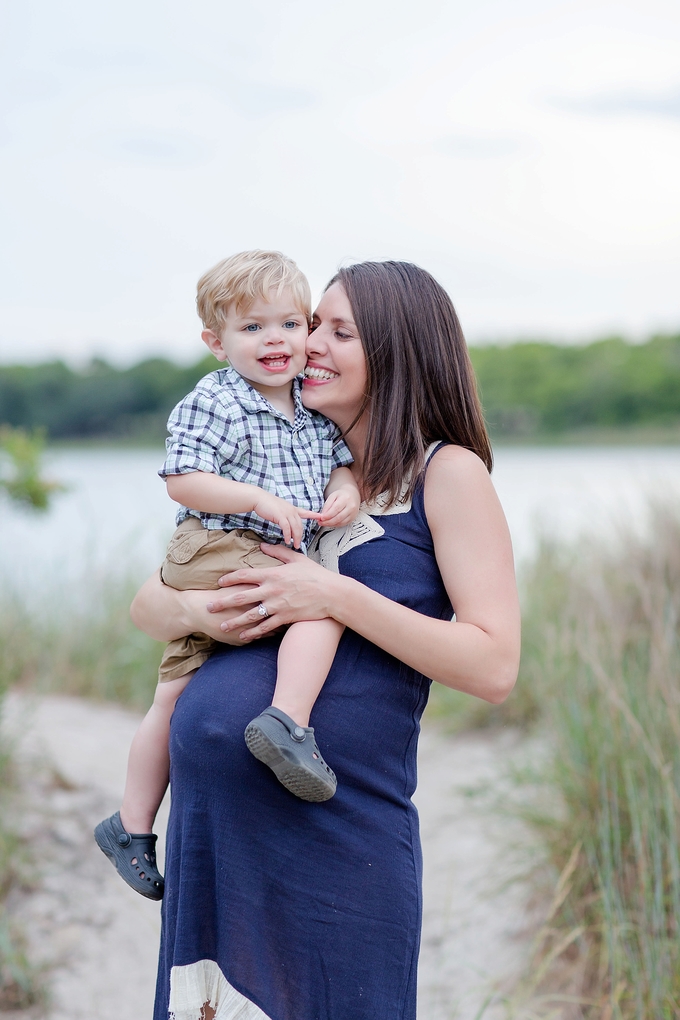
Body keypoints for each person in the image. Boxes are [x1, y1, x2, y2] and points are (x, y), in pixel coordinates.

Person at [131, 260, 521, 1020]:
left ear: (398, 352)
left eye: (339, 331)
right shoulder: (291, 464)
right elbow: (151, 603)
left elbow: (494, 664)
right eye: (314, 324)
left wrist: (334, 594)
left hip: (338, 848)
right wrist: (200, 618)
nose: (310, 344)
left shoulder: (447, 474)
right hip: (217, 838)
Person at [94, 252, 361, 902]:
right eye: (253, 328)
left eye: (290, 324)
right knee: (317, 602)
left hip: (242, 547)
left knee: (172, 696)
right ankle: (287, 721)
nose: (276, 339)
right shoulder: (216, 399)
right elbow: (182, 479)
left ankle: (129, 826)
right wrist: (254, 499)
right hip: (215, 541)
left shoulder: (311, 405)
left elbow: (342, 460)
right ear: (217, 342)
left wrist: (347, 487)